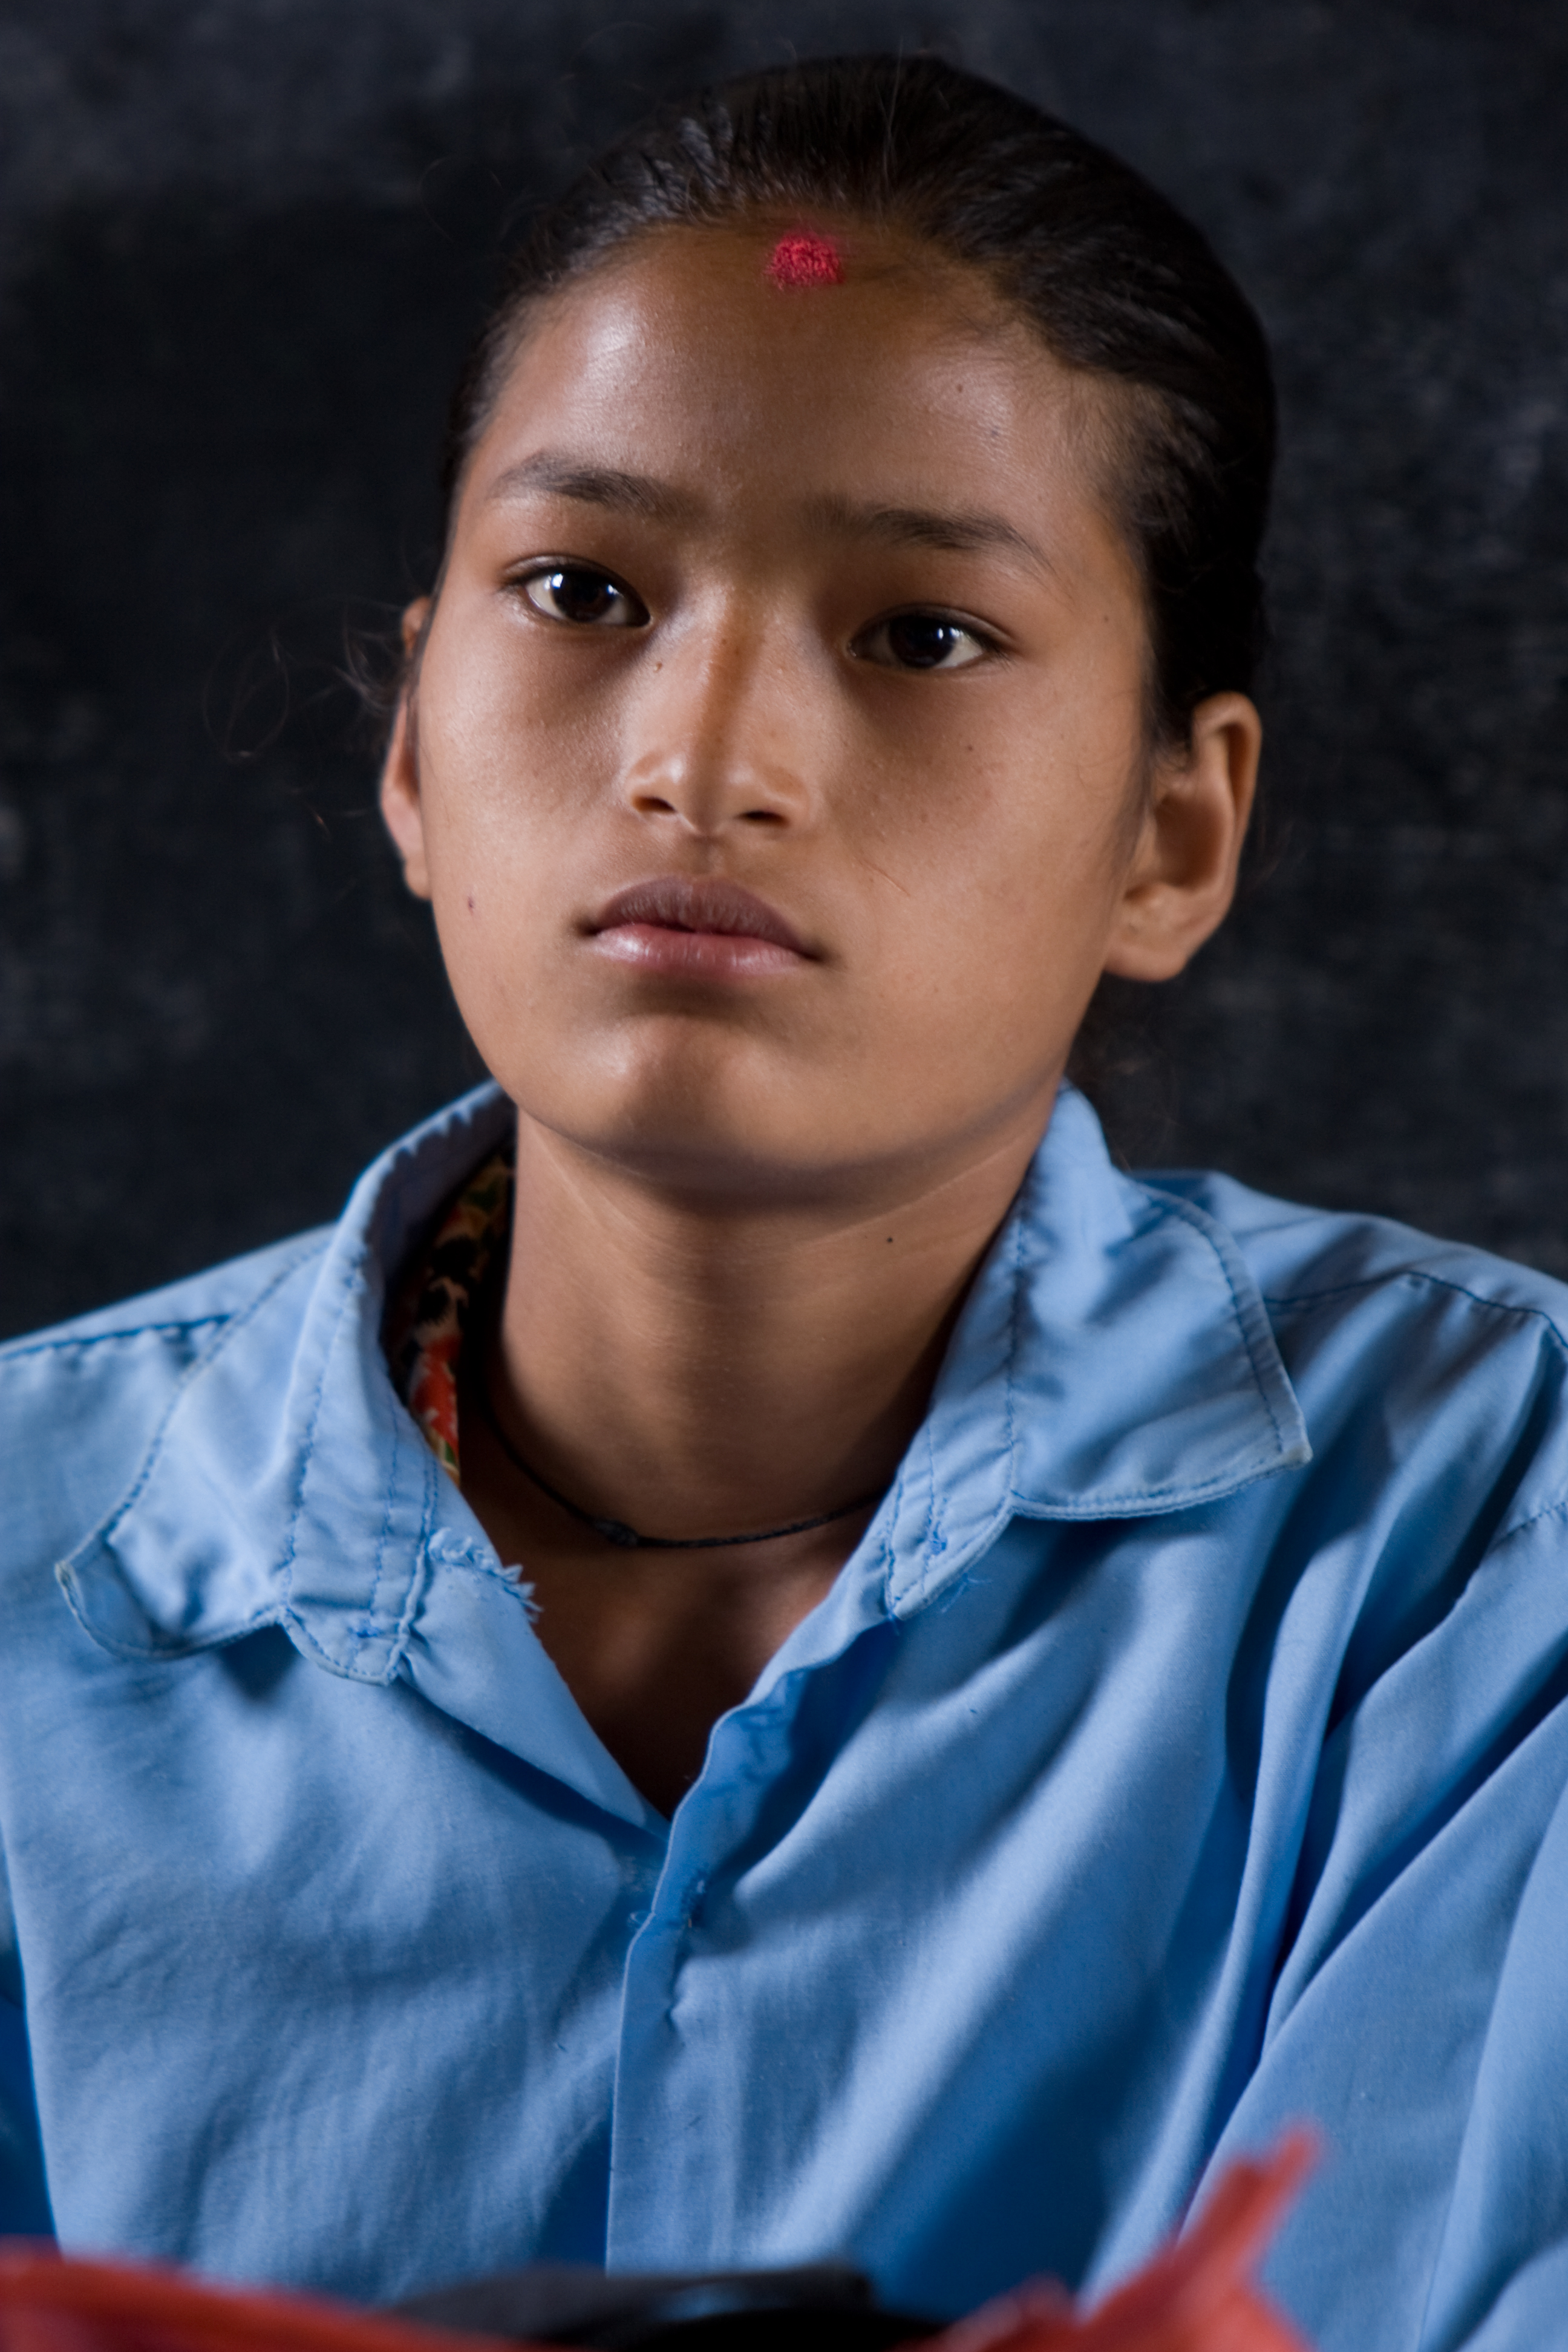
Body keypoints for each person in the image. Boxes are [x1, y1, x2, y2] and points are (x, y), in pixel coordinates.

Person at [3, 51, 1568, 2352]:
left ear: (1175, 834)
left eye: (920, 633)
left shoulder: (1485, 1553)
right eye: (581, 586)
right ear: (415, 742)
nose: (705, 756)